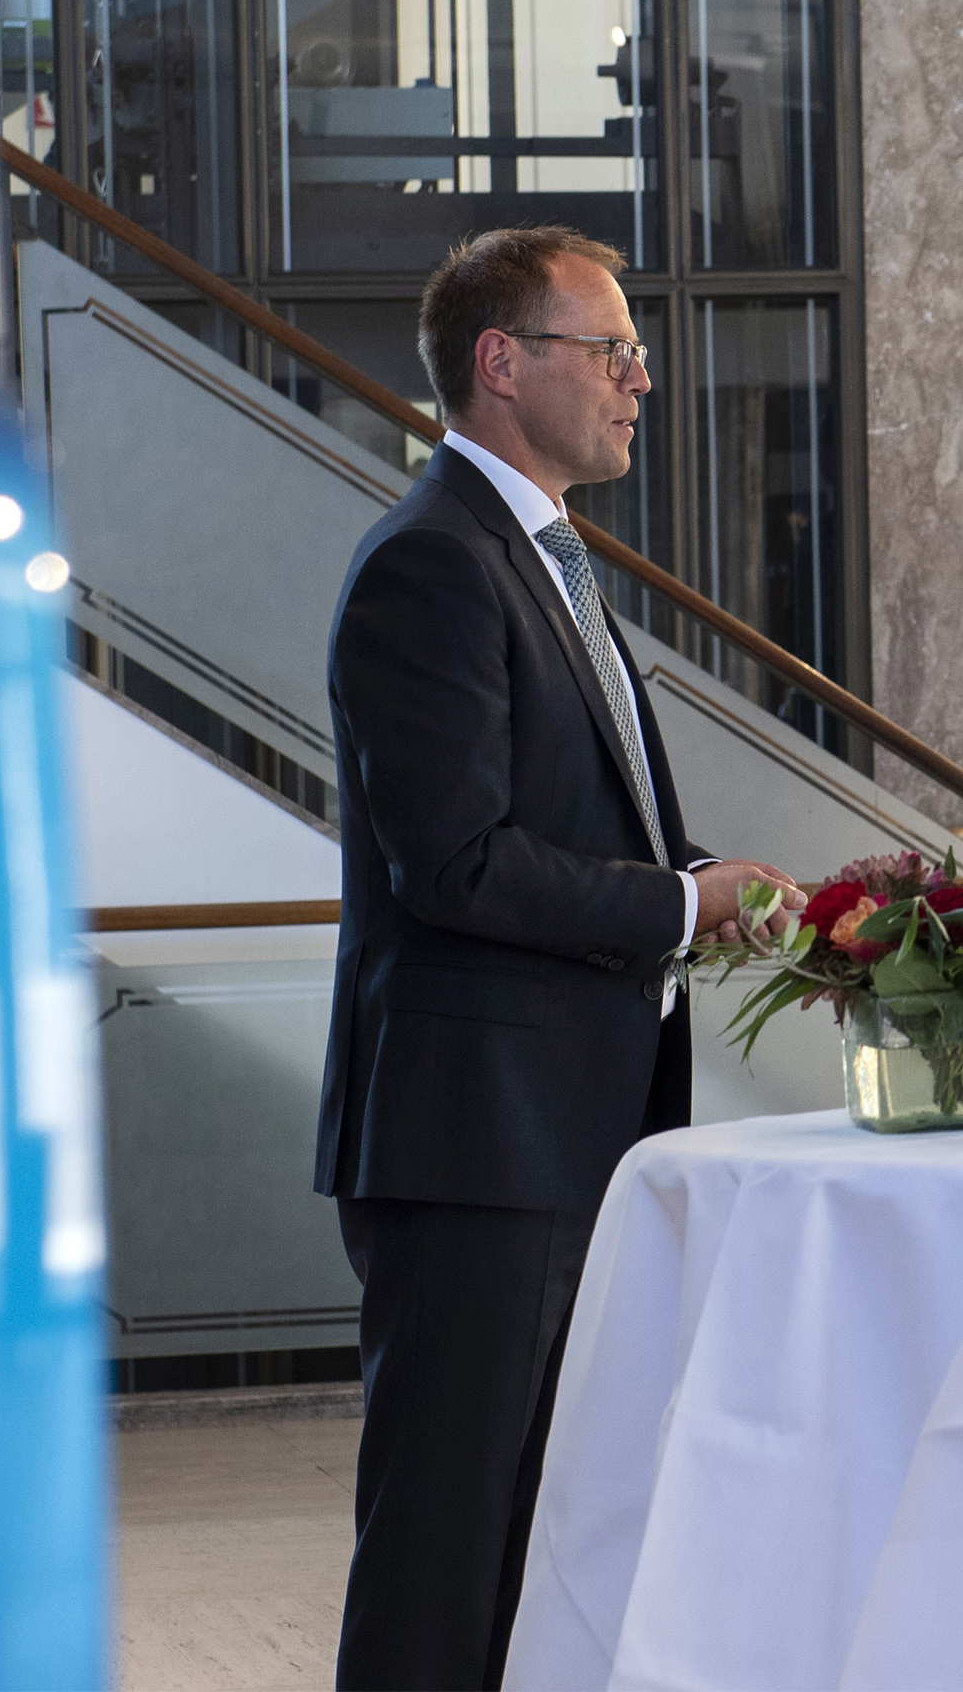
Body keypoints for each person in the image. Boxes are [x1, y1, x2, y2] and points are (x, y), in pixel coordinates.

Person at [312, 225, 803, 1690]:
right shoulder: (433, 564)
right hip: (477, 1141)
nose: (640, 381)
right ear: (501, 363)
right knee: (444, 1548)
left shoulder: (545, 557)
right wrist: (677, 911)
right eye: (612, 351)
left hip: (560, 1128)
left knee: (538, 1535)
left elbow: (572, 816)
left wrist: (712, 883)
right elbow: (452, 862)